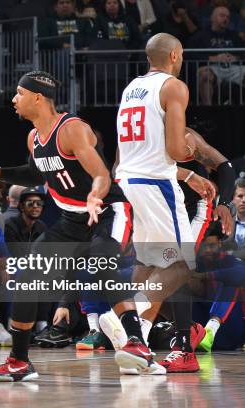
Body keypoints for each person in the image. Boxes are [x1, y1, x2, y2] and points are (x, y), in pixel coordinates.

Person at [0, 70, 161, 382]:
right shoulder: (33, 137)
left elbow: (100, 173)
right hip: (70, 220)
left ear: (37, 98)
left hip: (106, 211)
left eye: (19, 93)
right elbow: (35, 174)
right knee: (28, 276)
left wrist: (96, 194)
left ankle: (139, 345)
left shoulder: (72, 129)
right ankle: (18, 360)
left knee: (101, 264)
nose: (14, 100)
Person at [115, 33, 200, 373]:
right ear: (176, 55)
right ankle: (126, 313)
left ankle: (137, 343)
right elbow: (177, 150)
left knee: (151, 261)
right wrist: (192, 148)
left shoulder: (131, 87)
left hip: (129, 179)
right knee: (182, 264)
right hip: (155, 182)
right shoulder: (174, 88)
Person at [189, 6, 245, 105]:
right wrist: (212, 58)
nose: (226, 19)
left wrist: (236, 58)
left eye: (228, 17)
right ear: (212, 18)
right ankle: (209, 111)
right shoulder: (201, 36)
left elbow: (243, 52)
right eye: (222, 16)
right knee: (205, 75)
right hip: (213, 68)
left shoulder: (234, 35)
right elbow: (190, 54)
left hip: (233, 68)